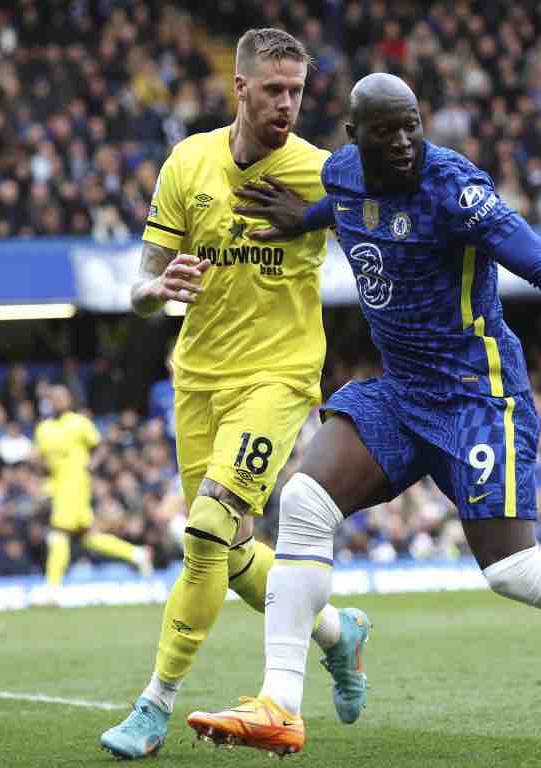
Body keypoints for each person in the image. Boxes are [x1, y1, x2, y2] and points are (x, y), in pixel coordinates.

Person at [184, 73, 541, 756]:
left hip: (477, 395)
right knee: (302, 502)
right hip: (402, 391)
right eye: (388, 130)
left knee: (512, 571)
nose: (406, 140)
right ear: (357, 137)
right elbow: (351, 204)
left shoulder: (455, 190)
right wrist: (307, 216)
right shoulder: (344, 174)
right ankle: (281, 705)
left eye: (413, 124)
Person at [99, 28, 369, 761]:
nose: (287, 104)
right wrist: (157, 289)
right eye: (274, 90)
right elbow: (140, 285)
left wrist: (324, 218)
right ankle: (340, 634)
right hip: (199, 378)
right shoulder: (189, 161)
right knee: (232, 547)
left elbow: (391, 224)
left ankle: (155, 703)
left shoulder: (320, 172)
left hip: (279, 377)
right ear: (241, 89)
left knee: (206, 531)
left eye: (297, 91)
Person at [34, 383, 152, 590]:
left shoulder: (80, 423)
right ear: (48, 401)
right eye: (54, 397)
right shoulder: (43, 429)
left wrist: (92, 465)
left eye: (62, 396)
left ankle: (51, 588)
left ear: (69, 399)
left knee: (58, 533)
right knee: (87, 537)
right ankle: (137, 554)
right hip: (56, 487)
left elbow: (100, 447)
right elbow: (42, 462)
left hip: (76, 485)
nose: (59, 400)